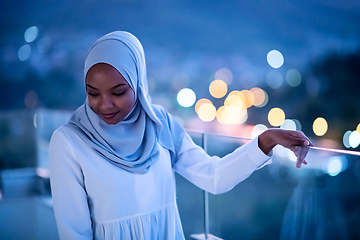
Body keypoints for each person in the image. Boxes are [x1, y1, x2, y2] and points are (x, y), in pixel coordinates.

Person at [49, 31, 312, 240]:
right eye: (93, 93)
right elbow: (75, 234)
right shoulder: (70, 142)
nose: (104, 104)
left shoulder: (160, 124)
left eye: (118, 92)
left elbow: (214, 177)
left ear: (139, 85)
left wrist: (267, 139)